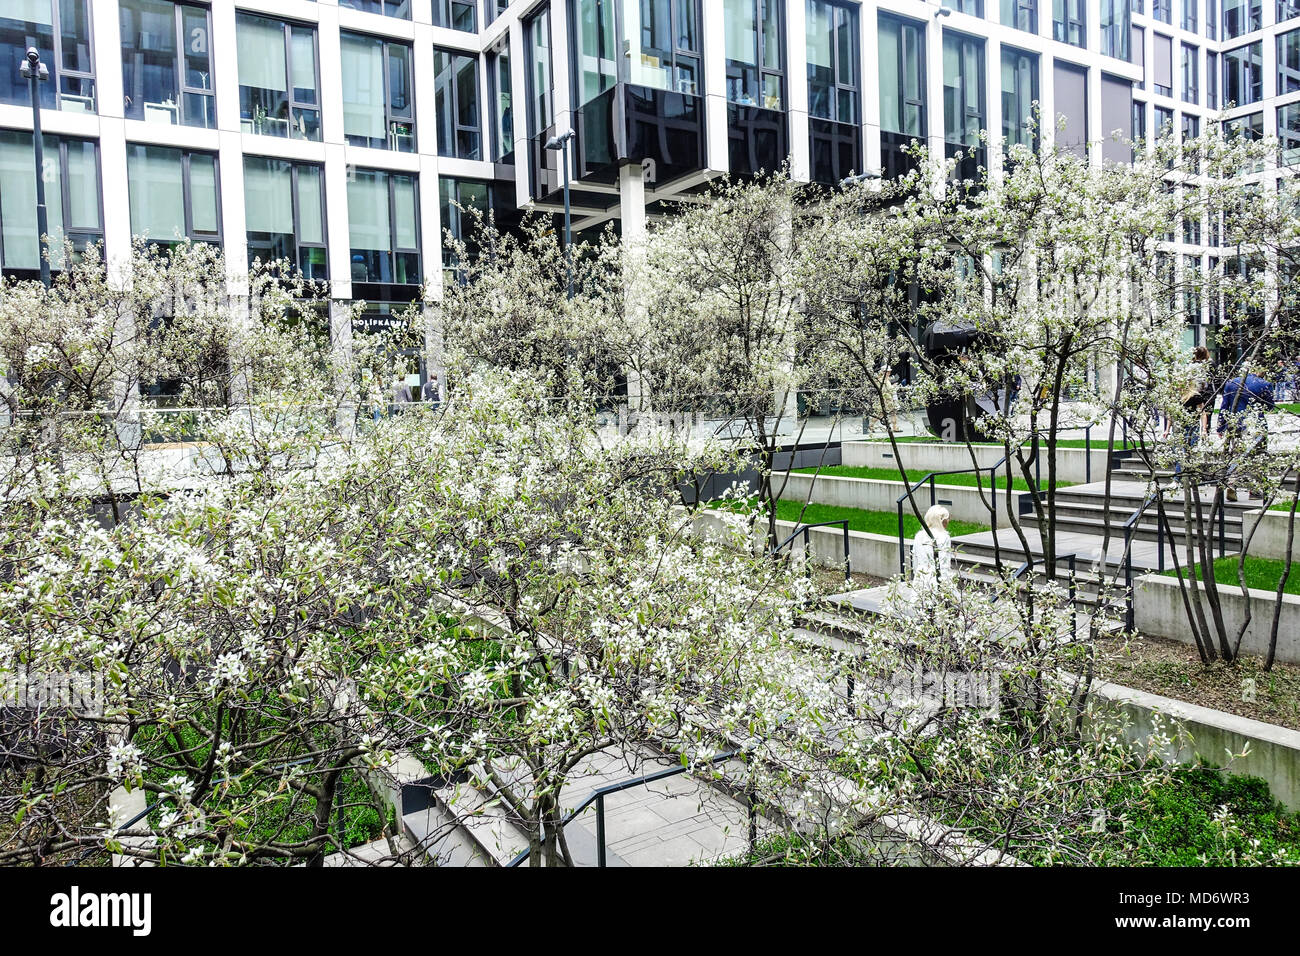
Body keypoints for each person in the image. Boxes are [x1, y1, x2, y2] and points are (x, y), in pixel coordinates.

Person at [1217, 367, 1275, 501]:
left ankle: (1232, 482)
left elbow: (1224, 406)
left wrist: (1220, 426)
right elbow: (1270, 406)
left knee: (1238, 455)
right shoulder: (1264, 384)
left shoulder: (1232, 383)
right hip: (1256, 424)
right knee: (1257, 457)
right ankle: (1254, 490)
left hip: (1235, 424)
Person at [1166, 346, 1215, 492]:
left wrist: (1204, 429)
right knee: (1179, 452)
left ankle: (1177, 478)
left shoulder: (1194, 396)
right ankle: (1185, 475)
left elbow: (1203, 413)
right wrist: (1167, 429)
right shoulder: (1176, 397)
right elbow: (1171, 414)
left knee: (1186, 451)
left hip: (1191, 426)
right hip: (1179, 426)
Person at [911, 505, 953, 595]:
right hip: (937, 576)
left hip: (921, 575)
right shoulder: (944, 537)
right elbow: (944, 562)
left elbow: (915, 558)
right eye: (947, 519)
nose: (948, 521)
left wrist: (916, 573)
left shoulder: (919, 535)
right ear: (941, 520)